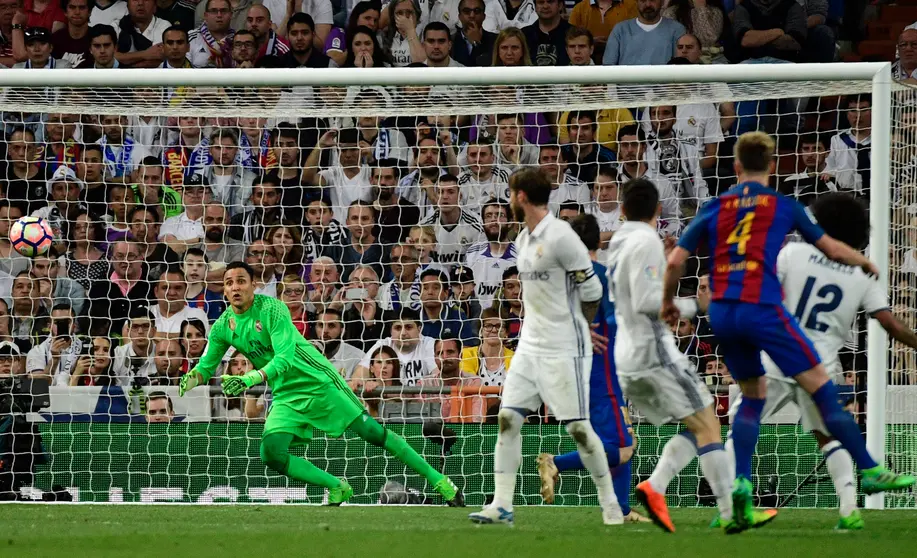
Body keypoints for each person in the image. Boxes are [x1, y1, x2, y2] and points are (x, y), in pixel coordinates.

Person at [663, 132, 915, 530]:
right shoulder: (785, 206)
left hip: (727, 315)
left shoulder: (718, 207)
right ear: (774, 165)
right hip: (772, 323)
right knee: (824, 400)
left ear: (735, 166)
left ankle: (736, 494)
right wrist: (863, 264)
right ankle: (868, 472)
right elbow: (835, 254)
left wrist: (668, 301)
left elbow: (676, 258)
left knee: (750, 401)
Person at [179, 261, 461, 505]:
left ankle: (439, 480)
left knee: (372, 433)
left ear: (254, 285)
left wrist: (249, 378)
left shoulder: (273, 309)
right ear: (224, 290)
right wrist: (190, 379)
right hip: (286, 392)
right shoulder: (222, 326)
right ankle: (337, 486)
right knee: (272, 454)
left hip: (319, 381)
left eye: (241, 281)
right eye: (229, 283)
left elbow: (285, 359)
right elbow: (205, 367)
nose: (235, 287)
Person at [719, 193, 917, 530]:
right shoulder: (861, 276)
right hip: (820, 366)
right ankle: (849, 509)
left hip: (778, 357)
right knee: (828, 437)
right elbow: (890, 323)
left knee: (740, 426)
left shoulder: (794, 253)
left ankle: (731, 508)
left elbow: (767, 292)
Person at [468, 168, 622, 526]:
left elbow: (593, 291)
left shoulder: (562, 238)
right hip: (529, 346)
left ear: (520, 196)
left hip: (564, 348)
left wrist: (581, 326)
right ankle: (501, 504)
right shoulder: (522, 239)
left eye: (510, 193)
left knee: (579, 430)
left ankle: (610, 503)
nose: (508, 200)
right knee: (507, 419)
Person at [607, 177, 739, 532]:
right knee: (709, 422)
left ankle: (657, 485)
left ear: (622, 210)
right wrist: (695, 304)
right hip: (653, 351)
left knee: (699, 423)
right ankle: (730, 513)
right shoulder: (645, 240)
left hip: (627, 355)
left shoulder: (618, 240)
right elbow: (648, 301)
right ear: (658, 210)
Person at [536, 213, 649, 523]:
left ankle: (621, 509)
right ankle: (556, 462)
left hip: (572, 374)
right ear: (600, 242)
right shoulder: (600, 275)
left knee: (619, 439)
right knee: (624, 447)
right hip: (601, 375)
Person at [603, 0, 685, 66]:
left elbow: (682, 65)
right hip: (626, 86)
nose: (648, 4)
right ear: (636, 2)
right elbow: (609, 65)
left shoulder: (676, 29)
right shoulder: (620, 29)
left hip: (664, 86)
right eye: (643, 0)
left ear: (662, 2)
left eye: (652, 0)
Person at [25, 303, 82, 386]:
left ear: (74, 326)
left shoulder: (84, 348)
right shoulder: (36, 352)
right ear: (49, 326)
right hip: (47, 399)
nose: (62, 326)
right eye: (57, 322)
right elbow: (36, 386)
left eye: (67, 322)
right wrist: (54, 361)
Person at [450, 0, 494, 67]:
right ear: (459, 16)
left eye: (477, 11)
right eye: (466, 11)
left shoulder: (495, 40)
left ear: (484, 16)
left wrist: (476, 44)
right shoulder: (451, 41)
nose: (472, 15)